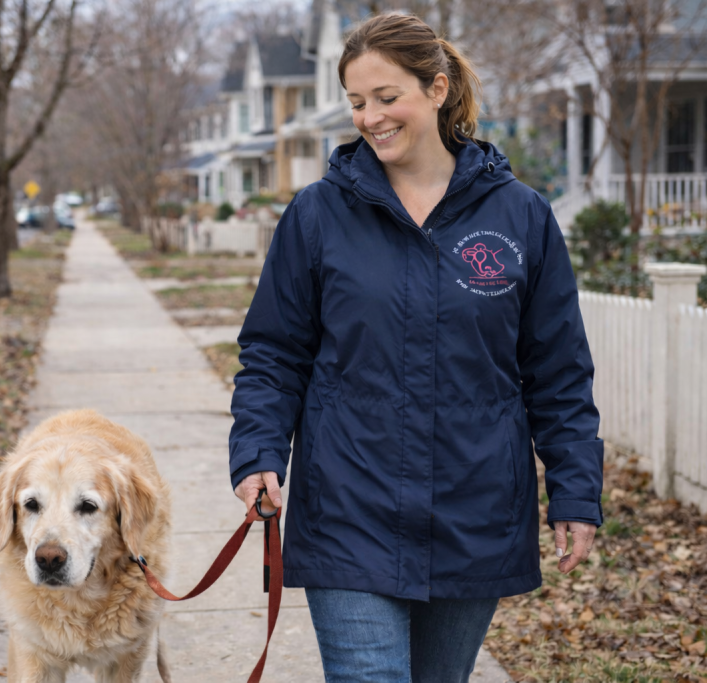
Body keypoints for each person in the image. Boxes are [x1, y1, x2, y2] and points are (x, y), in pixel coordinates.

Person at [228, 13, 603, 683]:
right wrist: (258, 448)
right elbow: (274, 353)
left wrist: (575, 491)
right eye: (356, 102)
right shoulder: (318, 214)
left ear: (436, 88)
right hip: (348, 505)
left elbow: (558, 373)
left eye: (386, 96)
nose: (369, 118)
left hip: (475, 509)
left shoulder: (521, 215)